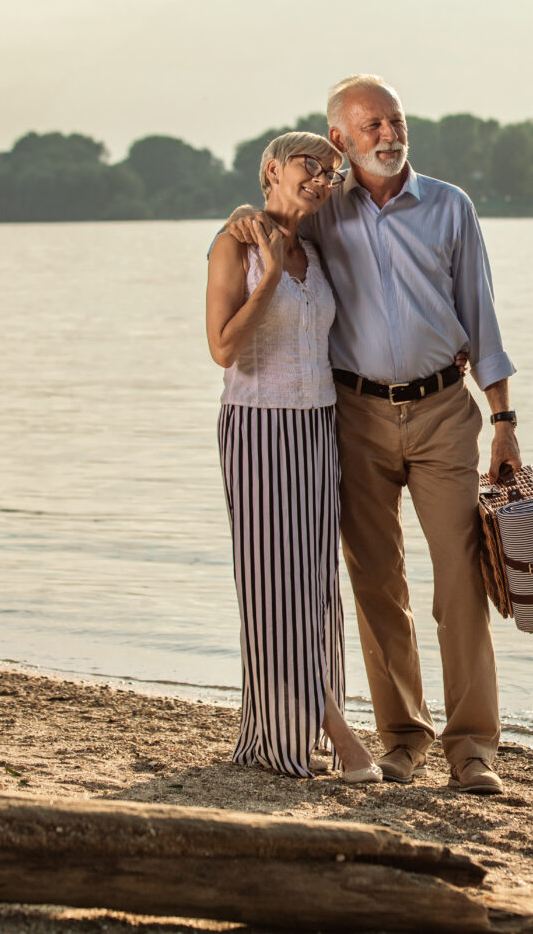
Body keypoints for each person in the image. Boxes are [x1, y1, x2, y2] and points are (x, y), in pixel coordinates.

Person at [223, 74, 519, 795]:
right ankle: (403, 738)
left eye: (396, 121)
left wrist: (505, 422)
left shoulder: (451, 207)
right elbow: (271, 224)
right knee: (376, 583)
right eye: (373, 126)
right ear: (340, 141)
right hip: (351, 416)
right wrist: (243, 216)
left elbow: (481, 318)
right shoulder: (324, 213)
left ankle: (473, 745)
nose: (389, 135)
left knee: (459, 579)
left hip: (444, 411)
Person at [205, 131, 382, 784]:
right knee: (270, 589)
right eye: (311, 166)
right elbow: (222, 349)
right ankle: (333, 723)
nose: (323, 178)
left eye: (331, 171)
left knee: (313, 590)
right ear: (272, 170)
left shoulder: (319, 247)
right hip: (257, 427)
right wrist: (271, 273)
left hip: (318, 427)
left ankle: (289, 732)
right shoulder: (236, 245)